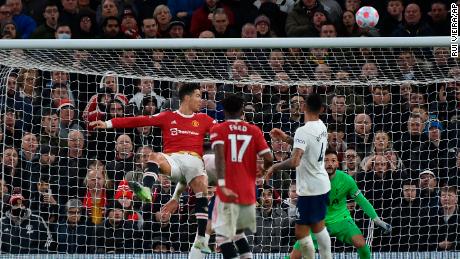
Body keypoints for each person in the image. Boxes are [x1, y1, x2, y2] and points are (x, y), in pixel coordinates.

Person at [90, 83, 216, 254]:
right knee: (154, 156)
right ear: (186, 97)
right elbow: (138, 120)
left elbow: (222, 130)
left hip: (194, 162)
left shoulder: (204, 119)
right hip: (173, 161)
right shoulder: (167, 116)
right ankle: (146, 190)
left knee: (202, 183)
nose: (201, 100)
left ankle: (201, 240)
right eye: (198, 96)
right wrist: (108, 123)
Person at [287, 150, 392, 259]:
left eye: (333, 160)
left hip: (341, 219)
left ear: (338, 163)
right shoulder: (311, 180)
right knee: (294, 256)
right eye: (326, 160)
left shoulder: (346, 180)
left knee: (361, 244)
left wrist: (377, 220)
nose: (329, 164)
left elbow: (362, 200)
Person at [267, 93, 332, 259]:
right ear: (322, 109)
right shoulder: (321, 125)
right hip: (322, 185)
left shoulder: (303, 130)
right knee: (318, 227)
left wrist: (275, 166)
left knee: (301, 232)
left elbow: (295, 161)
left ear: (303, 107)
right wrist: (285, 138)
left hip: (310, 189)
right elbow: (305, 145)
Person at [210, 94, 273, 259]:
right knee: (237, 233)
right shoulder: (254, 130)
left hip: (228, 189)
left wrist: (222, 184)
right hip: (249, 192)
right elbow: (269, 158)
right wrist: (264, 170)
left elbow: (220, 158)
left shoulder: (218, 129)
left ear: (224, 111)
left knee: (222, 236)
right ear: (241, 111)